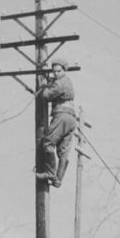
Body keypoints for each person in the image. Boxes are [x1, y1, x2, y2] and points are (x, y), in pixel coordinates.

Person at [35, 59, 76, 188]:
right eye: (54, 71)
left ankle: (50, 173)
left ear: (64, 70)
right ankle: (58, 179)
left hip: (61, 115)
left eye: (59, 71)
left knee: (48, 142)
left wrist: (44, 85)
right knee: (63, 151)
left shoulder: (59, 83)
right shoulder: (68, 81)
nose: (56, 73)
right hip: (72, 118)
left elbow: (46, 96)